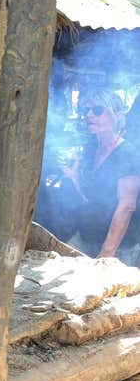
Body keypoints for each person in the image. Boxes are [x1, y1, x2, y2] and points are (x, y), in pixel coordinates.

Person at [64, 90, 139, 265]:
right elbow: (88, 198)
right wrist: (73, 176)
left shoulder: (128, 153)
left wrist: (107, 253)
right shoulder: (91, 148)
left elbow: (127, 206)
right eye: (87, 111)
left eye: (97, 110)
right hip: (86, 237)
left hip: (119, 247)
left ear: (117, 115)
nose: (89, 115)